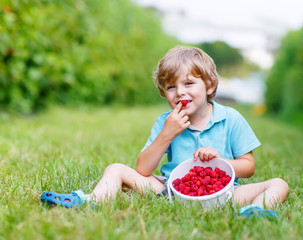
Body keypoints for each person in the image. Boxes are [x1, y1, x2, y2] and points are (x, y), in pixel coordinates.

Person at [41, 46, 289, 218]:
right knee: (116, 169)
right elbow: (143, 170)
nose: (180, 92)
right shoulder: (165, 122)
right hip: (170, 190)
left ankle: (254, 211)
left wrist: (219, 162)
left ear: (210, 85)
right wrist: (167, 134)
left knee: (279, 184)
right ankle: (91, 201)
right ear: (164, 93)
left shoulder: (231, 118)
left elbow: (249, 166)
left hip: (223, 194)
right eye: (171, 87)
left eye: (189, 83)